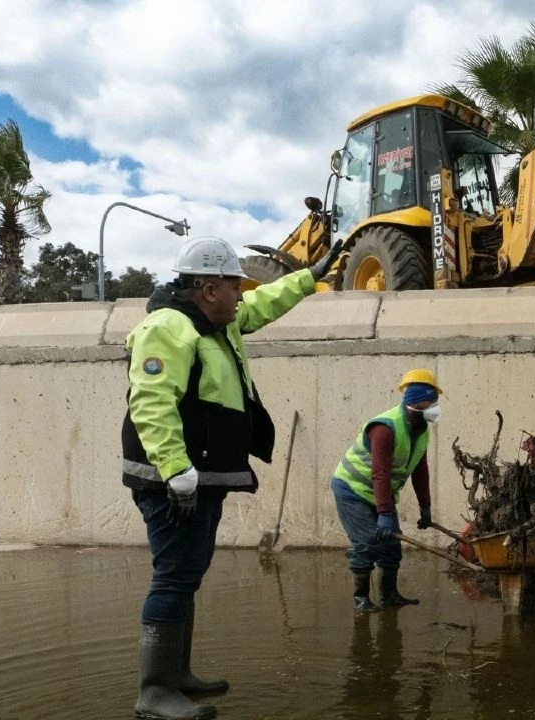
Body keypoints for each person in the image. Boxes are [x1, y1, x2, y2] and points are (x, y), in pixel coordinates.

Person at [122, 236, 343, 719]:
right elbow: (151, 402)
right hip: (172, 480)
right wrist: (177, 470)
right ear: (206, 288)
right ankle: (155, 691)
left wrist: (309, 277)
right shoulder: (169, 328)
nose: (241, 294)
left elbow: (263, 304)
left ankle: (176, 676)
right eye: (233, 284)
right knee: (174, 576)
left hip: (203, 476)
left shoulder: (217, 323)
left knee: (187, 574)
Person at [331, 369, 442, 612]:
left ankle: (389, 595)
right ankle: (361, 599)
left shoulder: (421, 430)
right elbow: (379, 473)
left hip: (380, 494)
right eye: (432, 401)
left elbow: (420, 470)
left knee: (391, 546)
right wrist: (384, 513)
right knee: (367, 543)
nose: (436, 406)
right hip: (352, 490)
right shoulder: (385, 428)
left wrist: (426, 506)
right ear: (417, 400)